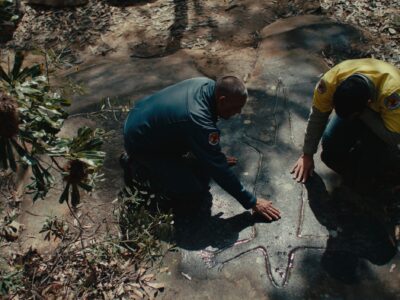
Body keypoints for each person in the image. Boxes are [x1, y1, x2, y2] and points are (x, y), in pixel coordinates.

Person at [121, 76, 281, 221]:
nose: (238, 112)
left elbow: (198, 131)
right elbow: (218, 169)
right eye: (236, 108)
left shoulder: (207, 84)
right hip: (140, 142)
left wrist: (209, 153)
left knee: (200, 159)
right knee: (193, 190)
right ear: (222, 100)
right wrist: (252, 201)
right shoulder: (197, 117)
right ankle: (137, 167)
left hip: (140, 117)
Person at [291, 58, 400, 249]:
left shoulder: (393, 93)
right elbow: (318, 115)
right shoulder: (331, 81)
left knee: (368, 165)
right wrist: (307, 154)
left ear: (365, 103)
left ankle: (376, 169)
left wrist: (365, 114)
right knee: (330, 149)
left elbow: (393, 137)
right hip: (357, 108)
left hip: (384, 121)